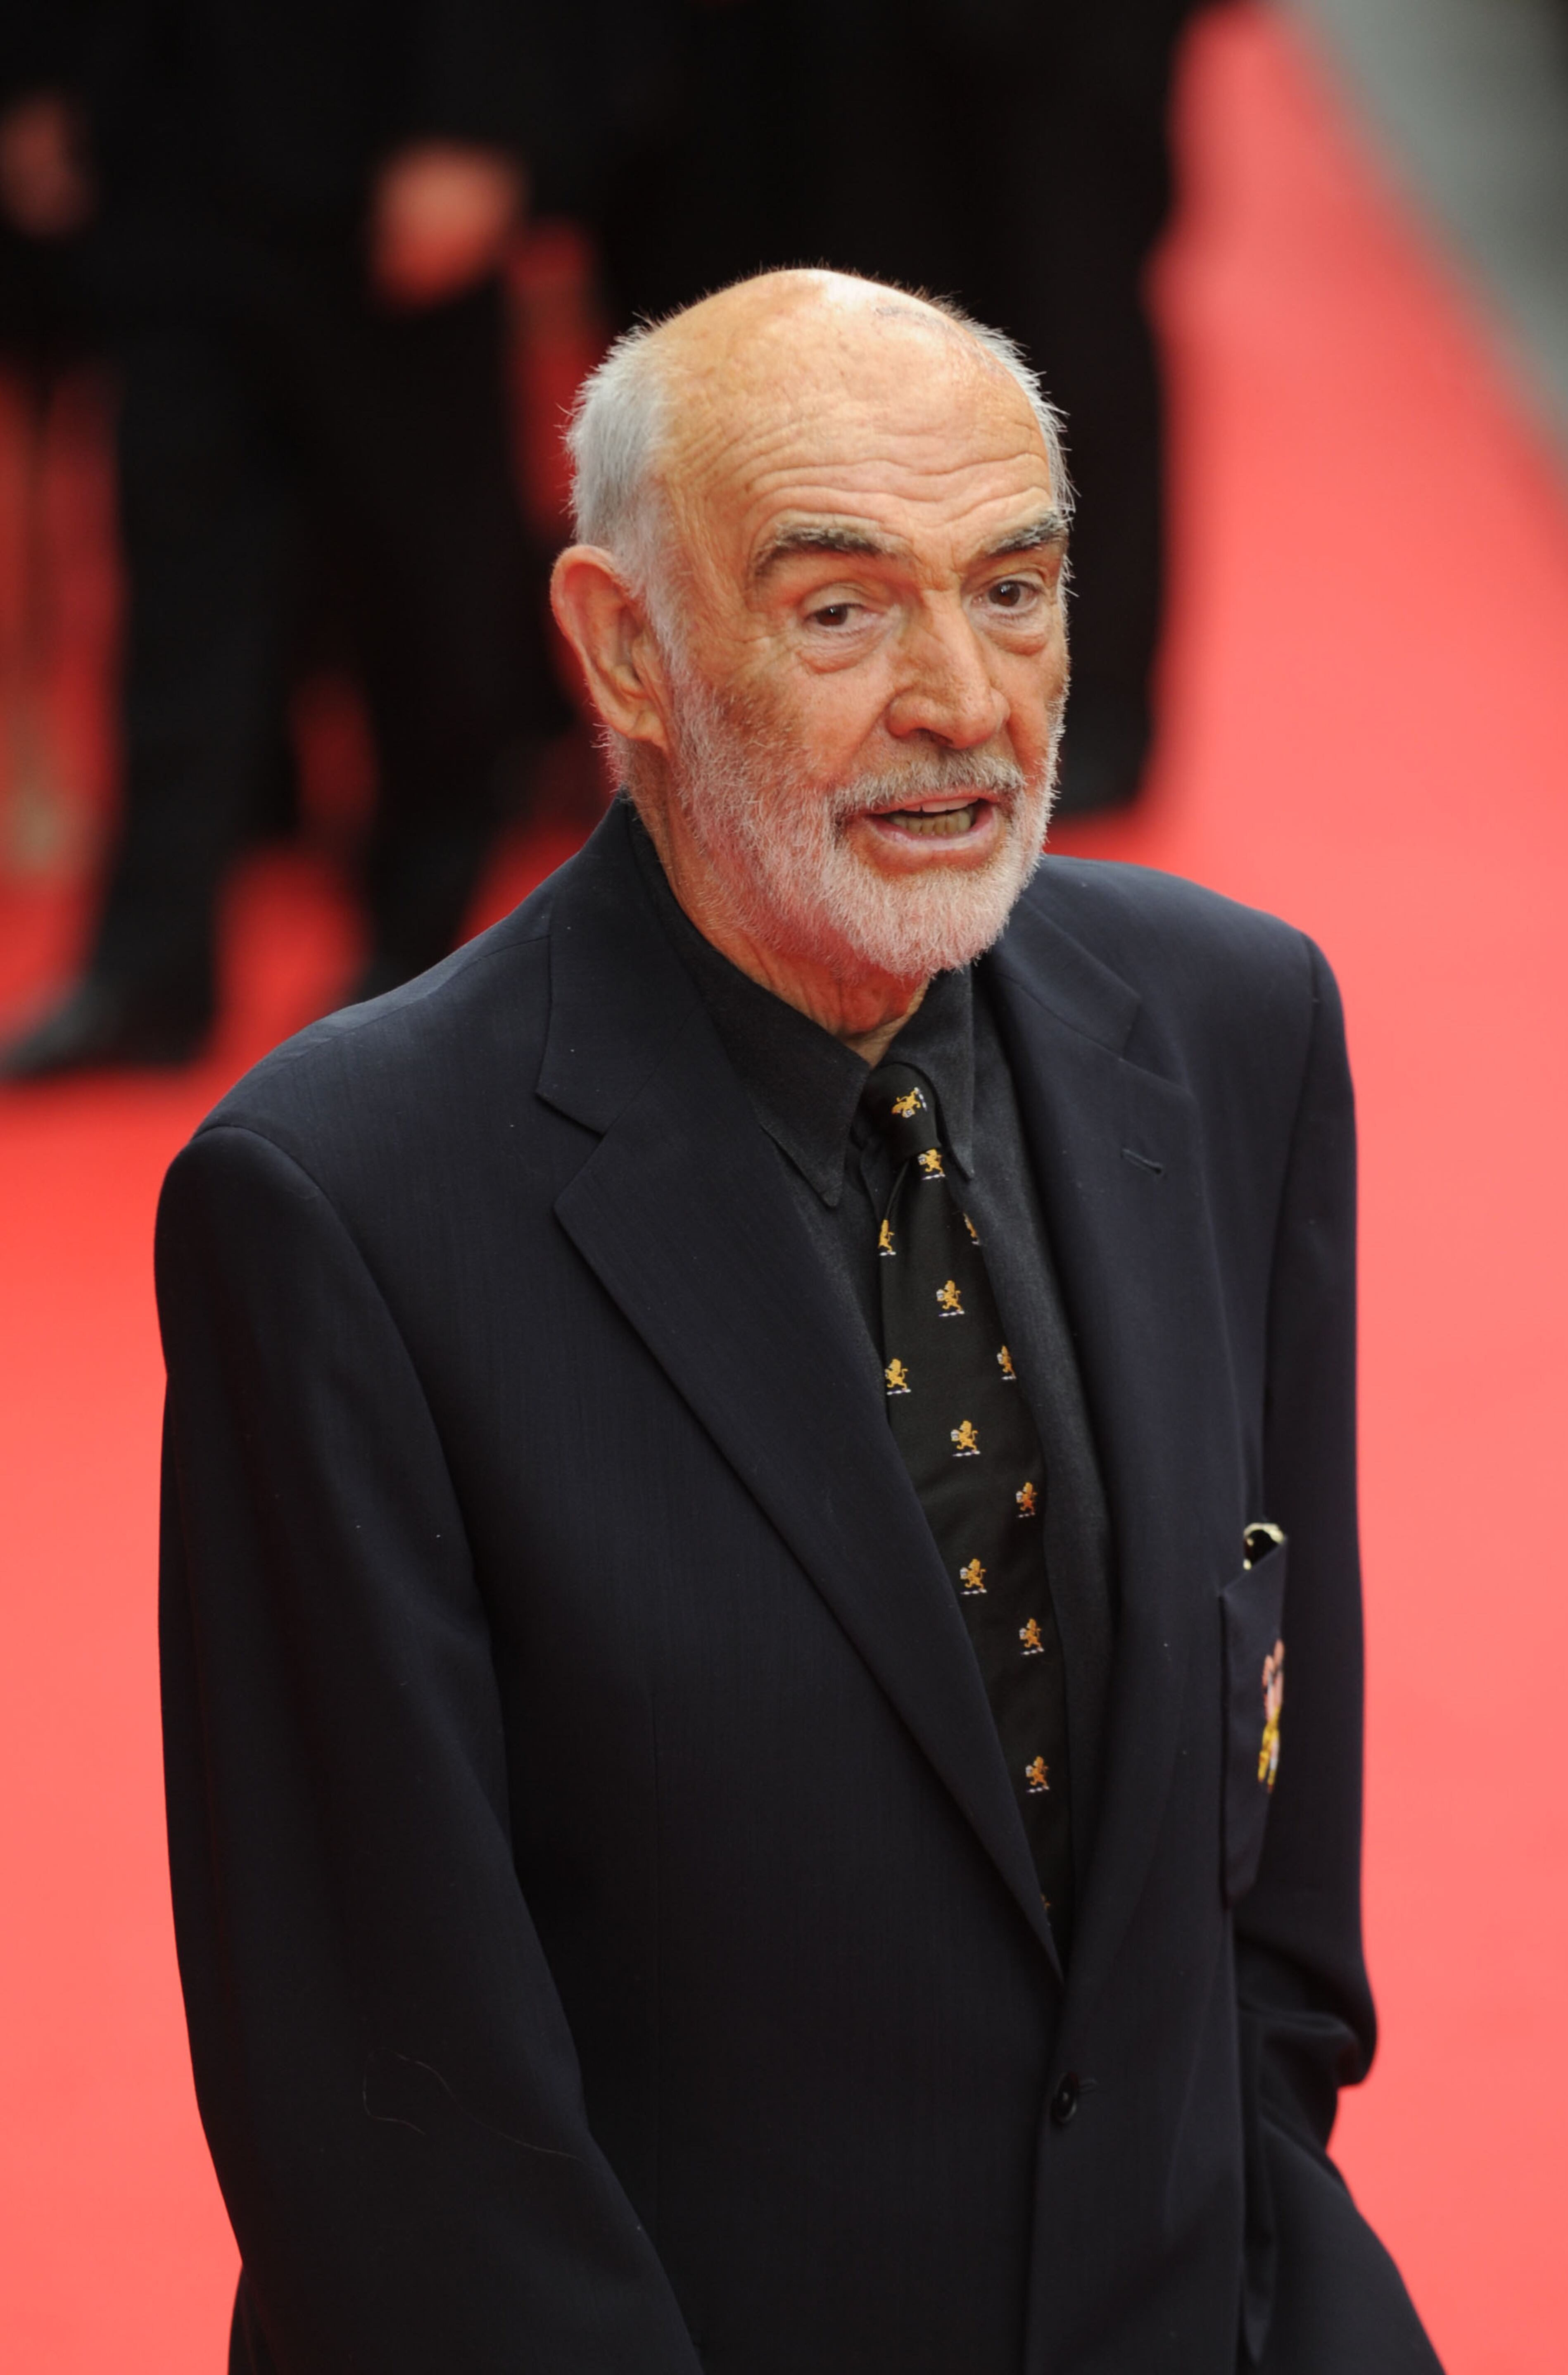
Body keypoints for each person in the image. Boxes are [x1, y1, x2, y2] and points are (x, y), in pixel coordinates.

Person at [156, 270, 1442, 2373]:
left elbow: (1266, 1868)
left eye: (1013, 588)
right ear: (626, 653)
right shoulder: (343, 1202)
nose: (963, 696)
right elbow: (393, 2123)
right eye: (841, 610)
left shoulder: (1229, 1027)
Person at [0, 0, 578, 1079]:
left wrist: (475, 119)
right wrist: (40, 74)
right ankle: (147, 969)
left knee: (420, 569)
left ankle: (428, 950)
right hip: (165, 146)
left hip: (378, 141)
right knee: (173, 577)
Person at [594, 0, 1203, 813]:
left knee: (1074, 332)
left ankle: (1087, 703)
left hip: (1057, 43)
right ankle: (796, 683)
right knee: (825, 322)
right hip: (815, 44)